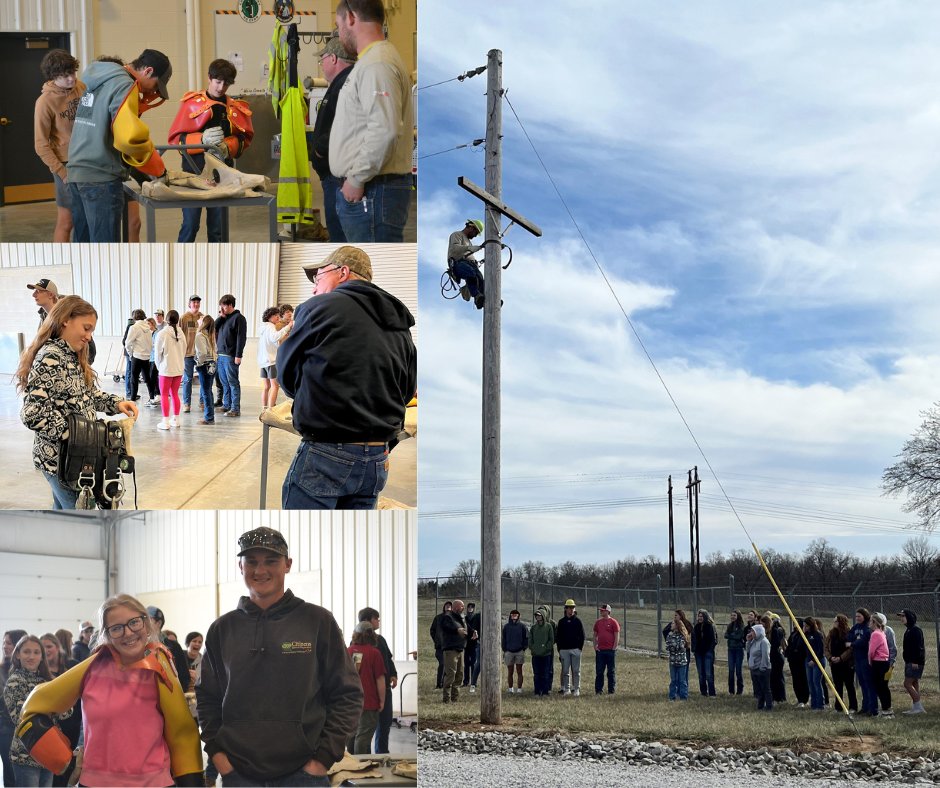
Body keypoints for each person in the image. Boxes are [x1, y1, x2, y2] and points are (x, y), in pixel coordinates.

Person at [197, 527, 362, 786]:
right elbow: (207, 697)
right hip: (238, 775)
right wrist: (217, 754)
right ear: (240, 567)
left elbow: (348, 694)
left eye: (271, 561)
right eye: (251, 562)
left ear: (287, 564)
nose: (260, 571)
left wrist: (323, 759)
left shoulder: (317, 621)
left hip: (304, 774)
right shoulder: (222, 629)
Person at [278, 246, 417, 509]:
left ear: (342, 272)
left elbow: (286, 375)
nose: (314, 288)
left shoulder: (318, 307)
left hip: (327, 452)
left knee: (306, 536)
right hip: (378, 458)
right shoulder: (400, 322)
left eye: (318, 278)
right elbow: (407, 389)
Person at [17, 595, 203, 786]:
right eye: (117, 628)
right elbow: (33, 707)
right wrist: (65, 764)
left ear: (145, 623)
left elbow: (182, 734)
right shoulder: (91, 668)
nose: (128, 633)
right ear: (106, 633)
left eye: (134, 623)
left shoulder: (159, 666)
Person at [16, 296, 138, 509]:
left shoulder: (71, 355)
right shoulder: (51, 357)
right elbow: (33, 413)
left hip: (74, 461)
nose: (89, 337)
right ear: (65, 320)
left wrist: (116, 403)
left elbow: (86, 396)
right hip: (62, 462)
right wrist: (77, 436)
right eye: (86, 328)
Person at [66, 49, 172, 242]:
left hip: (76, 172)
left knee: (83, 249)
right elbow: (128, 139)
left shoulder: (100, 78)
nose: (153, 92)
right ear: (148, 71)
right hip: (100, 178)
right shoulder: (125, 84)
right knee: (106, 253)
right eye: (156, 85)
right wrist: (156, 167)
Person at [330, 0, 414, 242]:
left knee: (372, 271)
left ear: (352, 18)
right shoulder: (371, 61)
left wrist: (356, 179)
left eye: (338, 25)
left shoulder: (377, 64)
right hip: (371, 190)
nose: (339, 33)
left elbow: (384, 130)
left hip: (372, 191)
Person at [168, 58, 253, 242]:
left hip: (221, 175)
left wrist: (227, 147)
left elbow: (244, 140)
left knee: (218, 229)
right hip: (193, 173)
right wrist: (201, 139)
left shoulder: (235, 108)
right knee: (190, 226)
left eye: (226, 83)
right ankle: (179, 265)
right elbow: (176, 140)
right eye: (218, 81)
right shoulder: (191, 103)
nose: (221, 87)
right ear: (209, 78)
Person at [34, 49, 85, 242]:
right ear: (54, 76)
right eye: (65, 76)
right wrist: (62, 172)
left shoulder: (81, 87)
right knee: (67, 221)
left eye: (72, 72)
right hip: (66, 164)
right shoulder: (45, 102)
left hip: (88, 160)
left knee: (85, 219)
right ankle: (60, 265)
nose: (72, 79)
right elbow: (40, 145)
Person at [309, 36, 356, 242]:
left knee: (340, 236)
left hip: (338, 176)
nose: (322, 65)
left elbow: (347, 123)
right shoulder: (341, 83)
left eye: (323, 60)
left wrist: (320, 149)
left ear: (334, 58)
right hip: (335, 175)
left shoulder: (346, 84)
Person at [3, 635, 56, 787]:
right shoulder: (15, 681)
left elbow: (67, 712)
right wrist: (52, 706)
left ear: (42, 656)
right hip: (26, 753)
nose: (31, 656)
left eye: (36, 652)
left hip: (49, 752)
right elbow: (21, 717)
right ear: (18, 654)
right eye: (26, 652)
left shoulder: (48, 680)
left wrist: (48, 708)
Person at [357, 608, 397, 754]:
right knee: (365, 730)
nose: (379, 621)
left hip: (385, 690)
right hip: (368, 694)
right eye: (376, 618)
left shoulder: (380, 640)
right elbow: (357, 670)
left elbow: (388, 659)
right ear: (367, 621)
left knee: (384, 725)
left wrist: (393, 674)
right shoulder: (356, 645)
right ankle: (364, 760)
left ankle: (381, 756)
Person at [346, 621, 385, 754]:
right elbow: (380, 679)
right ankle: (362, 767)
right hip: (368, 703)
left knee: (351, 735)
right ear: (371, 635)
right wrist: (382, 701)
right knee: (363, 737)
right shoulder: (374, 653)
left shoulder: (348, 651)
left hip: (349, 702)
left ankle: (351, 765)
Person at [1, 630, 28, 788]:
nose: (4, 646)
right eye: (4, 642)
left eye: (8, 643)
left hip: (27, 729)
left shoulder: (28, 671)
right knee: (11, 776)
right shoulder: (1, 670)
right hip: (7, 729)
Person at [214, 294, 247, 418]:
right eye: (221, 306)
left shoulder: (239, 318)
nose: (222, 308)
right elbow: (214, 328)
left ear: (230, 305)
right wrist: (220, 317)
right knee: (224, 382)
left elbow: (241, 337)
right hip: (220, 355)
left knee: (233, 382)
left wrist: (238, 355)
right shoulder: (223, 318)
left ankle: (235, 408)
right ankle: (226, 405)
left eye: (224, 306)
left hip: (231, 356)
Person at [154, 309, 186, 431]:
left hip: (166, 369)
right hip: (178, 368)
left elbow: (157, 354)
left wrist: (159, 367)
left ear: (166, 319)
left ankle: (165, 421)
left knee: (164, 395)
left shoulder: (161, 334)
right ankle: (176, 420)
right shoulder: (181, 333)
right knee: (174, 394)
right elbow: (183, 351)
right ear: (177, 320)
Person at [258, 307, 293, 411]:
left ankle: (264, 409)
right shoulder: (270, 327)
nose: (278, 317)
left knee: (266, 387)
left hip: (263, 361)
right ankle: (271, 409)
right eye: (275, 315)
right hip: (271, 360)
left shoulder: (263, 327)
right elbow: (275, 337)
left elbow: (272, 342)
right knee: (275, 386)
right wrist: (288, 327)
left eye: (278, 314)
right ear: (269, 317)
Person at [448, 219, 486, 309]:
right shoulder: (457, 234)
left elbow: (469, 255)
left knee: (480, 280)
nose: (475, 235)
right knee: (470, 273)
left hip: (471, 265)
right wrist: (469, 248)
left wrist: (476, 262)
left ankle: (489, 301)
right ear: (471, 227)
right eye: (475, 232)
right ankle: (476, 296)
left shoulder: (469, 241)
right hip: (458, 263)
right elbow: (454, 248)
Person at [125, 308, 159, 407]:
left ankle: (132, 401)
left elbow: (127, 343)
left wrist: (131, 354)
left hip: (137, 356)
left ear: (134, 317)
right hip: (146, 357)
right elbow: (150, 343)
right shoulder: (148, 328)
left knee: (134, 379)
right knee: (147, 379)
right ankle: (152, 398)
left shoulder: (134, 327)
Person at [847, 608, 878, 716]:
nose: (857, 618)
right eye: (856, 616)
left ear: (865, 616)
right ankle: (864, 707)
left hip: (866, 659)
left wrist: (853, 643)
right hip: (857, 659)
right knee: (862, 684)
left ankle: (872, 708)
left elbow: (864, 641)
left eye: (859, 616)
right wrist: (855, 640)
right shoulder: (855, 627)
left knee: (869, 684)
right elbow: (849, 637)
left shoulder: (868, 628)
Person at [825, 614, 857, 713]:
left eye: (836, 621)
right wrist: (830, 657)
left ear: (841, 622)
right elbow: (825, 647)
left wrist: (841, 658)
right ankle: (838, 707)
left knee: (849, 685)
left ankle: (853, 707)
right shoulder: (831, 633)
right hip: (834, 663)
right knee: (837, 686)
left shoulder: (849, 633)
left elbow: (851, 649)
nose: (834, 623)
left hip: (846, 664)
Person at [897, 609, 926, 714]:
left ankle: (918, 706)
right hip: (909, 661)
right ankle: (916, 707)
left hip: (915, 662)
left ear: (909, 617)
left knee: (907, 683)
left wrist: (915, 661)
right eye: (900, 616)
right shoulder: (909, 630)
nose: (901, 618)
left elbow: (918, 648)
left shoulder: (915, 630)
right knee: (914, 682)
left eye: (903, 616)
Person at [439, 599, 467, 703]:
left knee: (460, 674)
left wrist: (474, 632)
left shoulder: (462, 618)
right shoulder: (447, 617)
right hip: (451, 650)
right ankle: (446, 699)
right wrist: (456, 630)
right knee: (451, 674)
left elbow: (467, 628)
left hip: (460, 649)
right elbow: (446, 627)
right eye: (462, 606)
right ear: (455, 607)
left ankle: (455, 698)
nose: (463, 608)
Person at [180, 296, 204, 414]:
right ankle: (186, 404)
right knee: (187, 379)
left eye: (198, 302)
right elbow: (179, 335)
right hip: (188, 354)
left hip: (200, 354)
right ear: (189, 304)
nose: (196, 304)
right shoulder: (184, 318)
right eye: (194, 302)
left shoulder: (203, 317)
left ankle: (202, 402)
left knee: (203, 378)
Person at [555, 599, 585, 697]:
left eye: (572, 607)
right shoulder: (561, 622)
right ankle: (567, 689)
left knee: (576, 671)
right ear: (565, 609)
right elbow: (558, 637)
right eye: (569, 608)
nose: (571, 610)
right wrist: (560, 650)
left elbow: (582, 636)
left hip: (576, 650)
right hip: (564, 650)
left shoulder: (578, 621)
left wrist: (579, 648)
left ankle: (576, 689)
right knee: (565, 671)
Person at [193, 315, 218, 425]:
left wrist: (199, 363)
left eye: (201, 318)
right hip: (212, 364)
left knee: (205, 391)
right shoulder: (210, 335)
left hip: (205, 365)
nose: (198, 319)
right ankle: (210, 415)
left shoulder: (199, 335)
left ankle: (209, 417)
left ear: (203, 322)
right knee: (208, 390)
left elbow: (202, 353)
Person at [869, 614, 893, 718]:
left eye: (871, 621)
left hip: (879, 663)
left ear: (875, 622)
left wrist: (870, 661)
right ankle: (886, 710)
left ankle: (886, 710)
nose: (869, 623)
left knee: (881, 687)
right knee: (883, 686)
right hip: (884, 662)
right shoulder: (882, 633)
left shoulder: (876, 634)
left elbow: (871, 651)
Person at [593, 604, 620, 695]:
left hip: (610, 650)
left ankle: (611, 690)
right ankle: (598, 690)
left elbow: (616, 636)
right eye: (600, 610)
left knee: (610, 671)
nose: (601, 612)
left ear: (608, 611)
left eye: (603, 610)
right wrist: (595, 646)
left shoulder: (613, 622)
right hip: (600, 651)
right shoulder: (598, 622)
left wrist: (614, 647)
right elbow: (595, 634)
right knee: (599, 671)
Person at [529, 606, 554, 698]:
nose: (537, 616)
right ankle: (537, 691)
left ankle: (545, 692)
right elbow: (530, 640)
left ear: (543, 616)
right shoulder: (533, 627)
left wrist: (546, 648)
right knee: (537, 674)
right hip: (536, 655)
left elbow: (551, 640)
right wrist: (533, 648)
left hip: (546, 655)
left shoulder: (549, 626)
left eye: (539, 615)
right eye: (536, 615)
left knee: (545, 673)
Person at [691, 609, 717, 697]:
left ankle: (712, 693)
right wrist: (694, 649)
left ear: (705, 617)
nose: (699, 618)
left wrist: (709, 650)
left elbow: (714, 640)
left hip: (708, 653)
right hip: (698, 653)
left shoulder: (710, 626)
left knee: (708, 673)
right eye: (698, 616)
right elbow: (693, 639)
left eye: (701, 616)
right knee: (701, 674)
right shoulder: (696, 627)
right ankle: (703, 692)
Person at [502, 609, 528, 694]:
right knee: (510, 672)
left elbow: (526, 638)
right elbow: (503, 639)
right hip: (509, 651)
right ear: (510, 616)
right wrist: (505, 649)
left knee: (519, 671)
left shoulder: (522, 626)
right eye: (512, 614)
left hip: (519, 651)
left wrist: (523, 648)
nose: (514, 616)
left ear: (518, 616)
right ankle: (510, 688)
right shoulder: (506, 627)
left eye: (516, 615)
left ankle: (519, 689)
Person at [747, 624, 773, 711]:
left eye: (753, 631)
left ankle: (769, 706)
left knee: (766, 688)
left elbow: (765, 656)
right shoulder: (754, 641)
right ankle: (760, 705)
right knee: (759, 689)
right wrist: (748, 641)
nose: (751, 633)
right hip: (755, 668)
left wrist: (762, 668)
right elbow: (748, 651)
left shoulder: (764, 642)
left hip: (763, 669)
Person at [803, 618, 826, 711]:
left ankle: (820, 705)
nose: (805, 627)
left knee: (816, 682)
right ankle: (813, 704)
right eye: (804, 626)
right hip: (808, 660)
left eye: (807, 626)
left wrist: (815, 660)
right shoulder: (806, 634)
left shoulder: (818, 634)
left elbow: (821, 649)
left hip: (818, 660)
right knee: (810, 682)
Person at [665, 618, 690, 701]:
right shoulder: (669, 635)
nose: (671, 625)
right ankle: (672, 696)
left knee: (682, 680)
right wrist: (674, 646)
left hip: (682, 662)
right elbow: (668, 646)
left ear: (677, 625)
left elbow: (681, 647)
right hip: (672, 661)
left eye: (672, 624)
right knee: (673, 680)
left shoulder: (682, 635)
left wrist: (674, 645)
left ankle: (683, 697)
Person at [430, 601, 452, 690]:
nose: (448, 607)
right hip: (440, 647)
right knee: (442, 664)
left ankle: (445, 683)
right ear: (444, 607)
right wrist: (436, 640)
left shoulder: (453, 618)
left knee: (448, 665)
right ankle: (439, 684)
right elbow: (432, 630)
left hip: (450, 646)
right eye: (446, 606)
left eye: (450, 606)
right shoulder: (438, 618)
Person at [724, 610, 746, 696]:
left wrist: (731, 636)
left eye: (734, 615)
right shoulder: (730, 626)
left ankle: (739, 690)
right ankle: (731, 691)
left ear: (738, 616)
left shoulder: (741, 626)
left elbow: (739, 636)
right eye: (732, 615)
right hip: (731, 649)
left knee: (738, 671)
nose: (732, 617)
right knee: (731, 670)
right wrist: (732, 635)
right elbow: (726, 635)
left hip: (738, 650)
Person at [465, 602, 481, 694]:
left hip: (478, 644)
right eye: (469, 607)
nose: (470, 608)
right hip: (476, 643)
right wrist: (475, 632)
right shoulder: (477, 616)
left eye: (472, 607)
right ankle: (472, 684)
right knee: (477, 664)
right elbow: (474, 628)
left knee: (474, 663)